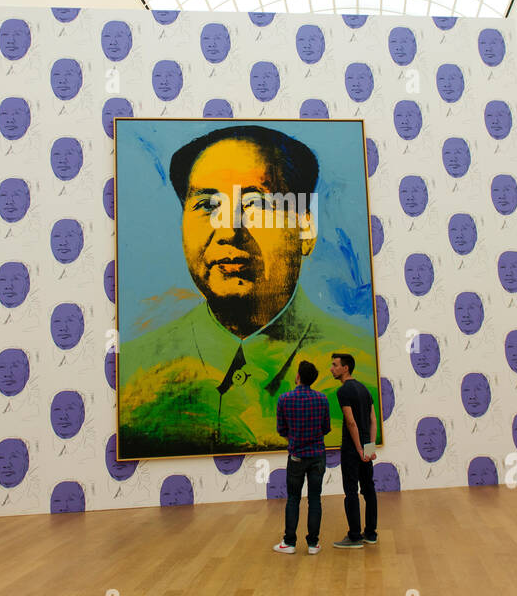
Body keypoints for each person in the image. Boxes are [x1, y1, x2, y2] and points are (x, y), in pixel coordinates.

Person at [118, 125, 377, 458]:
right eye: (207, 205)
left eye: (256, 203)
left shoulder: (364, 374)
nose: (229, 230)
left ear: (305, 228)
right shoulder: (132, 378)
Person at [273, 360, 331, 555]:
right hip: (317, 456)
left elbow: (281, 429)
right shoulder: (322, 399)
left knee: (293, 499)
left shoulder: (284, 399)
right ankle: (313, 544)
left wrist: (295, 437)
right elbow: (325, 429)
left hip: (296, 456)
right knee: (315, 499)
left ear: (298, 376)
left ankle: (289, 542)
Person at [331, 352, 378, 548]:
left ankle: (355, 536)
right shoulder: (364, 389)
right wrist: (369, 447)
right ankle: (371, 534)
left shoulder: (343, 392)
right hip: (365, 448)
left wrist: (358, 449)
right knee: (369, 490)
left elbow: (351, 422)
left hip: (352, 450)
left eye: (335, 365)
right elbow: (373, 420)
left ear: (345, 368)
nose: (332, 368)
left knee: (351, 491)